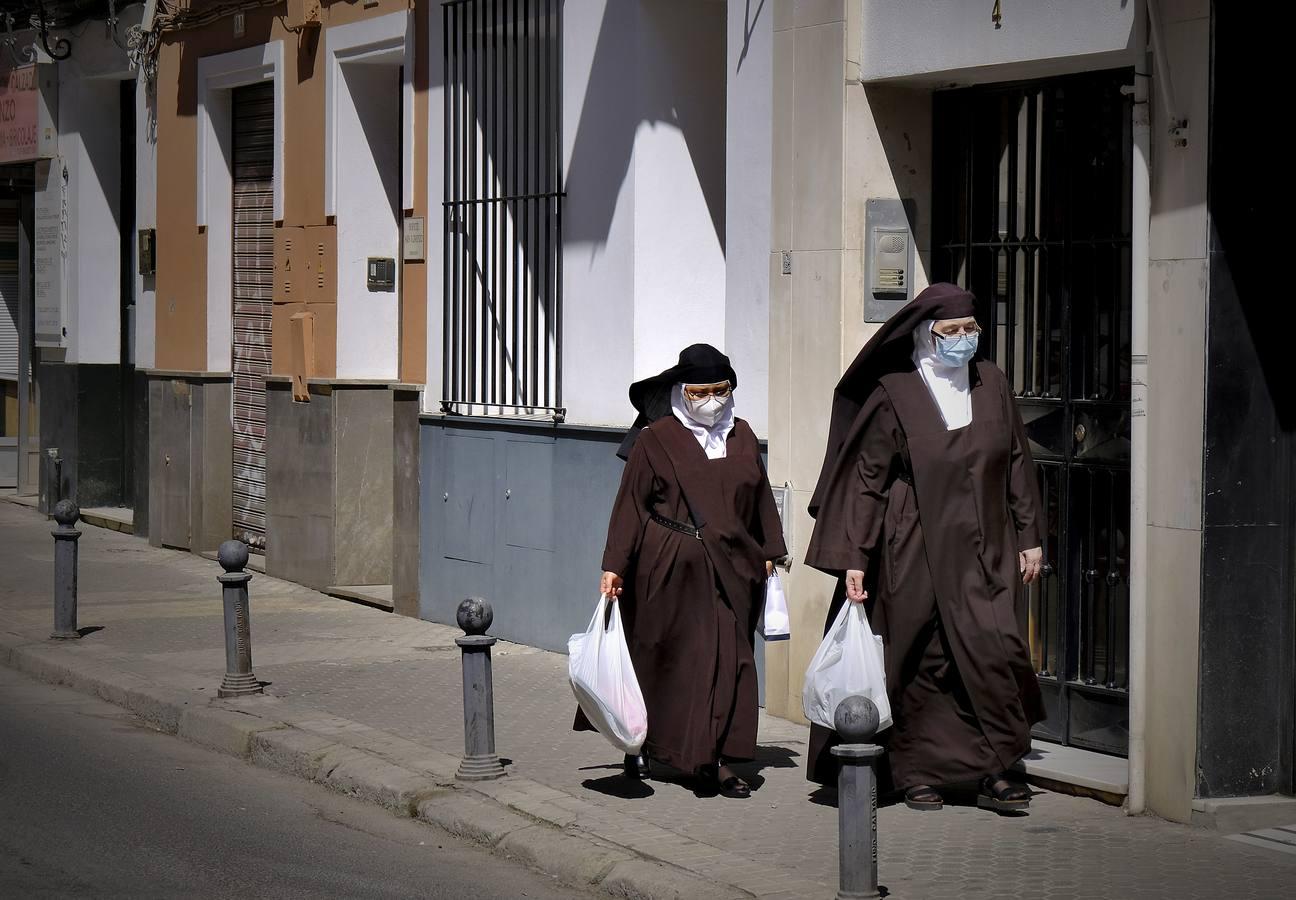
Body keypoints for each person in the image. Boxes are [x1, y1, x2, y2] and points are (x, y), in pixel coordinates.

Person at [804, 283, 1045, 812]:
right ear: (925, 335)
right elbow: (868, 479)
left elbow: (1017, 463)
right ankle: (917, 773)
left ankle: (996, 768)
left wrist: (1030, 538)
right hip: (913, 547)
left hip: (988, 548)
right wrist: (856, 557)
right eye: (951, 332)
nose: (964, 340)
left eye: (971, 329)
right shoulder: (896, 393)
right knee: (920, 659)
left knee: (992, 650)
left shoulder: (992, 384)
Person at [574, 344, 787, 798]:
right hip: (669, 570)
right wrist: (615, 565)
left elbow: (760, 498)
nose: (712, 400)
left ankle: (723, 759)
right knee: (675, 662)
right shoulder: (656, 440)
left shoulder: (742, 436)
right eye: (700, 392)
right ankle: (655, 745)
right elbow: (630, 507)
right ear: (680, 392)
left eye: (720, 390)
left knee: (732, 660)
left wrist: (770, 549)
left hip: (734, 569)